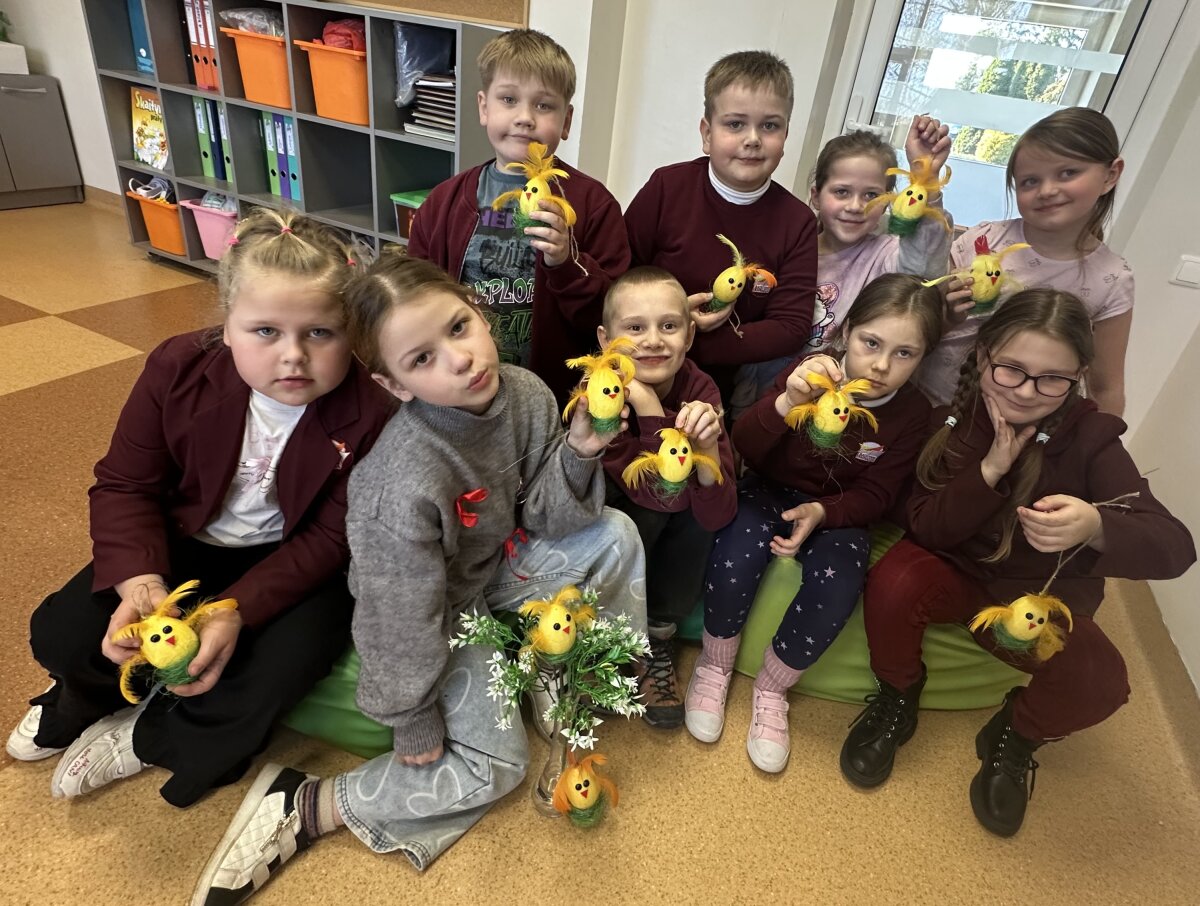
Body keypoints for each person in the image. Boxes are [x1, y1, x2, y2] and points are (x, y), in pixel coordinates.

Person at [191, 254, 647, 905]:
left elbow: (549, 515)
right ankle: (309, 804)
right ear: (394, 383)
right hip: (445, 609)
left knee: (616, 534)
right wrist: (411, 717)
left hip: (503, 563)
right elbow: (397, 614)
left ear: (477, 310)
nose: (461, 360)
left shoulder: (526, 392)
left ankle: (562, 671)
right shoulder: (400, 478)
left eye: (458, 328)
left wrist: (579, 450)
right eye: (423, 359)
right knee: (498, 766)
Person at [6, 209, 395, 808]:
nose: (293, 356)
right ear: (228, 325)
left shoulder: (373, 412)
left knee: (278, 670)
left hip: (293, 559)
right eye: (265, 331)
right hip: (183, 539)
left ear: (354, 335)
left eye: (321, 333)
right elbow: (125, 484)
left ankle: (157, 736)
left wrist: (234, 610)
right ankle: (85, 699)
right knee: (67, 632)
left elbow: (329, 538)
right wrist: (141, 581)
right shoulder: (177, 367)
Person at [842, 289, 1195, 835]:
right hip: (955, 572)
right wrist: (987, 473)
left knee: (1101, 680)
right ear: (983, 355)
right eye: (1011, 370)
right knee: (894, 582)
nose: (1027, 392)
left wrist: (1097, 525)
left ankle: (1015, 736)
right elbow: (926, 526)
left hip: (1031, 603)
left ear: (1078, 375)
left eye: (1051, 379)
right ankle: (898, 695)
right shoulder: (950, 421)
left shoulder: (1093, 440)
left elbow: (1175, 547)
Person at [685, 274, 944, 772]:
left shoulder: (913, 413)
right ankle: (715, 665)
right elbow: (745, 445)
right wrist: (787, 403)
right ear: (847, 331)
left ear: (923, 357)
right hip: (768, 488)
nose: (882, 365)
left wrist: (825, 512)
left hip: (839, 511)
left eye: (905, 353)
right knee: (734, 552)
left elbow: (878, 495)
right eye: (871, 343)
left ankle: (772, 690)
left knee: (840, 583)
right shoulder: (809, 372)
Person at [407, 27, 629, 405]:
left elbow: (611, 317)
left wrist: (566, 262)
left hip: (552, 396)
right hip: (461, 389)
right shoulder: (444, 202)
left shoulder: (593, 204)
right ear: (484, 107)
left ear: (566, 121)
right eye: (509, 99)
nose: (525, 118)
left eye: (544, 106)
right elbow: (414, 294)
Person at [624, 50, 818, 414]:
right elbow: (622, 276)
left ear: (786, 136)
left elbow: (790, 327)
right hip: (638, 373)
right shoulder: (667, 187)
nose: (753, 139)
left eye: (770, 126)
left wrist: (691, 340)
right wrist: (672, 324)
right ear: (707, 133)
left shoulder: (798, 221)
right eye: (735, 124)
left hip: (724, 397)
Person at [917, 107, 1132, 416]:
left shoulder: (1112, 279)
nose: (1047, 190)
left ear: (1110, 175)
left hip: (1018, 425)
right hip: (929, 402)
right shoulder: (984, 239)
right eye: (1030, 181)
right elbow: (920, 323)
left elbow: (1106, 386)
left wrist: (1100, 441)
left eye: (1068, 173)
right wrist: (948, 315)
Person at [597, 266, 737, 729]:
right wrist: (646, 406)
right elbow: (654, 495)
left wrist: (707, 452)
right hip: (614, 529)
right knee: (647, 511)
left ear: (690, 335)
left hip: (672, 530)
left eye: (669, 326)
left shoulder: (701, 392)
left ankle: (657, 636)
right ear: (606, 340)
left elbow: (719, 515)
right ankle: (613, 638)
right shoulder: (601, 396)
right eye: (635, 328)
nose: (654, 340)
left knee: (695, 505)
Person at [808, 116, 958, 351]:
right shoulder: (793, 248)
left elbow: (923, 271)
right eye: (842, 192)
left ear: (888, 201)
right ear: (816, 196)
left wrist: (925, 177)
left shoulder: (885, 254)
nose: (856, 206)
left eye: (871, 195)